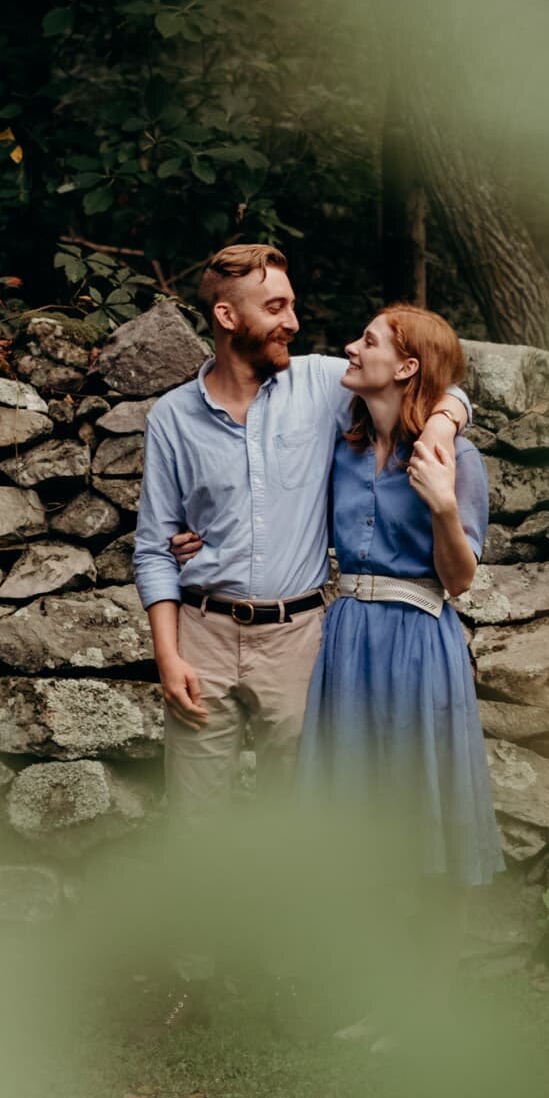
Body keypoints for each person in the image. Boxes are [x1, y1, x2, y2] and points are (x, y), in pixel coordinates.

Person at [131, 245, 469, 805]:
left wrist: (440, 426)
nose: (293, 323)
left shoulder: (323, 386)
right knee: (194, 821)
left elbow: (437, 382)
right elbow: (153, 551)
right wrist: (168, 657)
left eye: (292, 306)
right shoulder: (171, 418)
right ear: (227, 317)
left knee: (300, 816)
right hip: (202, 637)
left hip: (299, 640)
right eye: (276, 307)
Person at [296, 305, 502, 887]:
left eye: (368, 341)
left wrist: (442, 504)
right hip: (346, 636)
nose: (351, 348)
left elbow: (459, 580)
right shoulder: (343, 448)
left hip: (419, 638)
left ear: (407, 366)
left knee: (419, 798)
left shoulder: (457, 459)